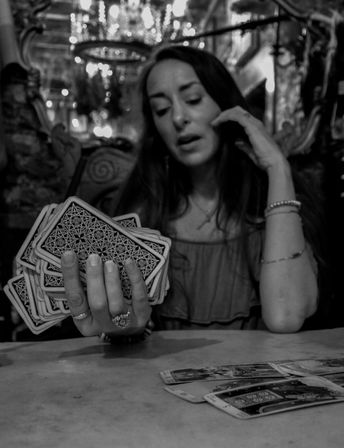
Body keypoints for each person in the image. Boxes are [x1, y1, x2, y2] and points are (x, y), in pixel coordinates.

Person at [61, 44, 327, 342]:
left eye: (193, 99)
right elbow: (122, 324)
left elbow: (286, 316)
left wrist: (278, 168)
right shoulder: (140, 210)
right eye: (161, 109)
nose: (178, 118)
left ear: (225, 104)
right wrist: (125, 329)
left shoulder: (266, 202)